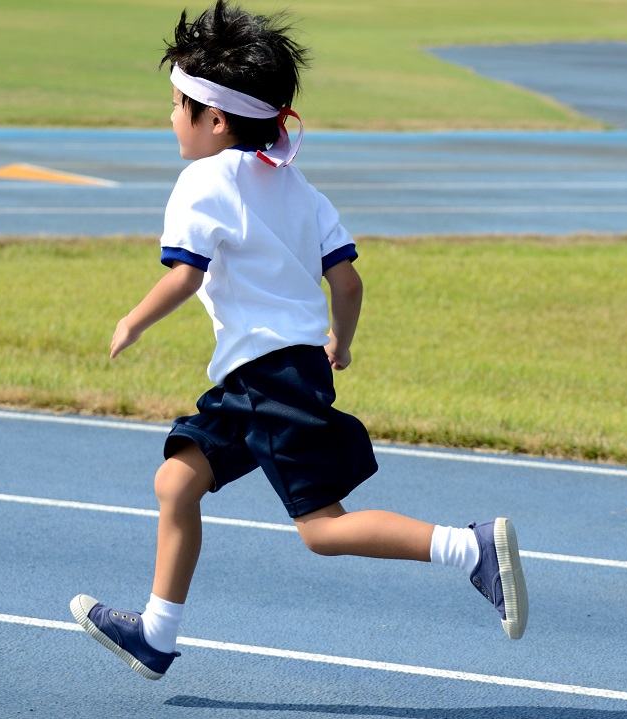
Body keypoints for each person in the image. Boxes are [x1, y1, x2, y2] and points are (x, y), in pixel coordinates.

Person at [69, 1, 527, 681]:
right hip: (276, 374)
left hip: (265, 380)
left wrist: (132, 319)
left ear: (214, 119)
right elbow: (347, 284)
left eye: (176, 105)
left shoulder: (202, 180)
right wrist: (338, 345)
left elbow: (185, 275)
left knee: (321, 528)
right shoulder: (300, 186)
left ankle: (470, 547)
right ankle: (156, 634)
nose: (170, 118)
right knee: (176, 482)